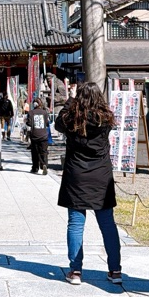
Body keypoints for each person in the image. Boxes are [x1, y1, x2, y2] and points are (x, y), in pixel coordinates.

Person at [55, 82, 122, 285]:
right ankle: (115, 269)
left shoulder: (72, 118)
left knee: (76, 223)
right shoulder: (106, 118)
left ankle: (75, 270)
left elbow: (58, 123)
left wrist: (71, 99)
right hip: (101, 174)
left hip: (76, 174)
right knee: (107, 223)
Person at [25, 97, 51, 175]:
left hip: (34, 135)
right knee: (44, 152)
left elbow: (29, 124)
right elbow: (47, 123)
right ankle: (44, 165)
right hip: (43, 135)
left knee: (35, 152)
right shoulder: (45, 112)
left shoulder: (31, 113)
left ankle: (35, 168)